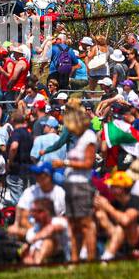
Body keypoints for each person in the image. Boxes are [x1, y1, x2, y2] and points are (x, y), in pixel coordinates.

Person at [52, 105, 97, 262]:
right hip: (71, 184)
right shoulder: (80, 139)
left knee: (85, 223)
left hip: (81, 184)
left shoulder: (89, 137)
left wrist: (65, 163)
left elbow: (88, 163)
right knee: (73, 223)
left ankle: (90, 258)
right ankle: (74, 258)